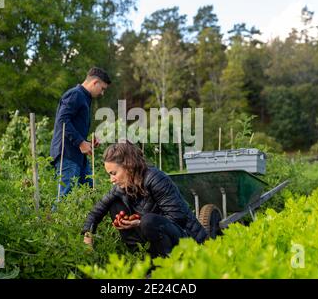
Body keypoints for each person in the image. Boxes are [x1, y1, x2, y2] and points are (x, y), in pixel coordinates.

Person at [82, 141, 208, 258]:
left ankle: (168, 264)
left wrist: (139, 222)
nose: (111, 179)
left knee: (147, 221)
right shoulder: (122, 187)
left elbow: (177, 218)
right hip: (158, 237)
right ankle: (143, 260)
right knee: (115, 205)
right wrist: (88, 237)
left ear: (128, 166)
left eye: (114, 173)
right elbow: (97, 211)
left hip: (187, 238)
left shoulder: (156, 179)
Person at [50, 67, 111, 197]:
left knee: (89, 190)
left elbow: (73, 125)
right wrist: (80, 142)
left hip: (77, 155)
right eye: (103, 89)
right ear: (95, 82)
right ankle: (56, 218)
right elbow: (62, 120)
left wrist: (87, 143)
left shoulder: (84, 97)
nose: (102, 93)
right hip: (67, 154)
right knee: (65, 198)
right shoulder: (76, 94)